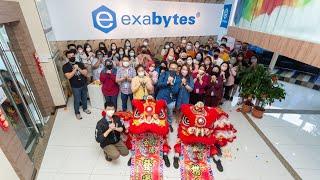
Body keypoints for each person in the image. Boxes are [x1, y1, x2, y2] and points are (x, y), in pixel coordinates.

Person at [63, 50, 91, 120]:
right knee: (77, 100)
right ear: (67, 58)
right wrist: (75, 69)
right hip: (75, 87)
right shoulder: (65, 66)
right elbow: (68, 76)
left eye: (73, 56)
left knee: (84, 97)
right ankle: (77, 112)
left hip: (83, 84)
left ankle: (85, 108)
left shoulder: (80, 64)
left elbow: (85, 73)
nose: (72, 57)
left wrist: (78, 68)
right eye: (70, 56)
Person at [156, 62, 181, 132]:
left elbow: (176, 91)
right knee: (159, 112)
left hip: (171, 100)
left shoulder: (178, 79)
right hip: (161, 97)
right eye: (172, 68)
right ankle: (158, 124)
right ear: (169, 68)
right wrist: (167, 82)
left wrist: (172, 84)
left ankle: (169, 124)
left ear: (177, 70)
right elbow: (159, 84)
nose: (173, 70)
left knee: (170, 114)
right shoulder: (164, 74)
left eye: (175, 68)